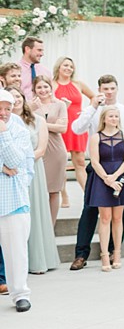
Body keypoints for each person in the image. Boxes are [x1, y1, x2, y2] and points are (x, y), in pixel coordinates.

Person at [69, 74, 124, 271]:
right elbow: (76, 128)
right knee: (90, 209)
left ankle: (112, 251)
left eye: (112, 88)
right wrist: (92, 107)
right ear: (100, 89)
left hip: (123, 167)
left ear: (117, 89)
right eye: (105, 89)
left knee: (120, 214)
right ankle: (81, 254)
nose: (109, 92)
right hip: (99, 167)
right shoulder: (92, 110)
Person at [7, 86, 60, 274]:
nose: (16, 100)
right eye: (12, 97)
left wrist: (20, 162)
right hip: (9, 174)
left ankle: (38, 260)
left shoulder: (37, 121)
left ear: (23, 98)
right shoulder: (6, 123)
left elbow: (41, 149)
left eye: (18, 96)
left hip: (32, 170)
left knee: (35, 213)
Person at [84, 106, 124, 271]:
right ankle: (105, 254)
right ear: (104, 119)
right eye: (111, 116)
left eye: (116, 116)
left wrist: (115, 177)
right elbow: (94, 162)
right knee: (105, 218)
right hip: (101, 178)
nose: (114, 119)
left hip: (121, 177)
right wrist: (107, 179)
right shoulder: (96, 137)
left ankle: (117, 252)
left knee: (118, 218)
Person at [0, 89, 35, 312]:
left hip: (12, 199)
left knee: (16, 251)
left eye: (7, 108)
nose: (3, 112)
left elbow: (15, 161)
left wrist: (3, 132)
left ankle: (20, 294)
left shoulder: (18, 128)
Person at [53, 56, 96, 201]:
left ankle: (87, 196)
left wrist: (86, 112)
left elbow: (93, 97)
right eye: (65, 65)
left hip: (77, 126)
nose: (68, 68)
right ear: (59, 67)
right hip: (61, 125)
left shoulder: (78, 84)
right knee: (61, 162)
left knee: (80, 162)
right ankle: (63, 194)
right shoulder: (52, 85)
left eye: (71, 66)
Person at [29, 75, 67, 225]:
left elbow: (62, 128)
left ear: (51, 88)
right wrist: (51, 124)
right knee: (38, 190)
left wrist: (41, 123)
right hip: (37, 149)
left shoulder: (60, 105)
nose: (43, 90)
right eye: (39, 87)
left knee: (54, 190)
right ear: (34, 90)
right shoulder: (30, 106)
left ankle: (51, 225)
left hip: (56, 150)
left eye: (46, 87)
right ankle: (38, 225)